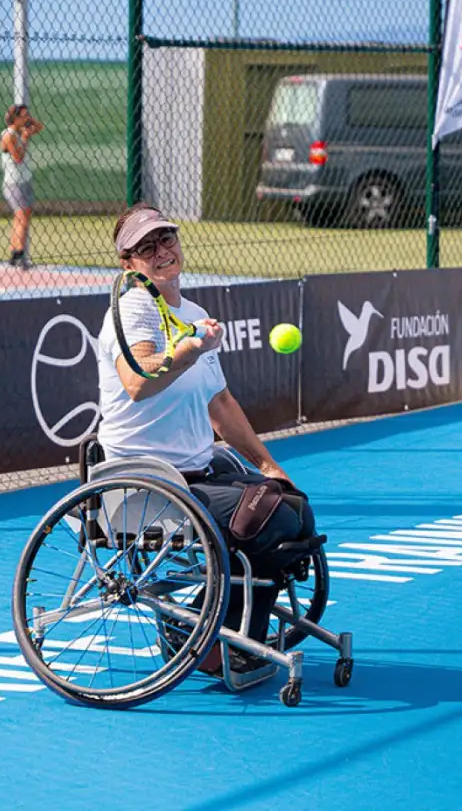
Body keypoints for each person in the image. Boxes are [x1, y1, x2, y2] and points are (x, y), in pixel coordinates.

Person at [96, 203, 316, 668]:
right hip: (146, 484)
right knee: (272, 519)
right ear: (128, 263)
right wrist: (189, 350)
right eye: (146, 247)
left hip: (194, 475)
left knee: (291, 504)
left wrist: (269, 466)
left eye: (166, 239)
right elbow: (138, 380)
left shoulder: (194, 312)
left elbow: (221, 406)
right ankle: (218, 647)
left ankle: (204, 631)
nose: (161, 252)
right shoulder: (133, 307)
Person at [0, 104, 42, 268]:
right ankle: (20, 255)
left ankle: (15, 252)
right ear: (15, 118)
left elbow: (40, 127)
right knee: (22, 218)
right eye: (23, 115)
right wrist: (24, 137)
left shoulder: (20, 131)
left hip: (24, 180)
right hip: (14, 182)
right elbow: (18, 158)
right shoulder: (9, 135)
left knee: (21, 217)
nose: (26, 118)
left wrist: (30, 121)